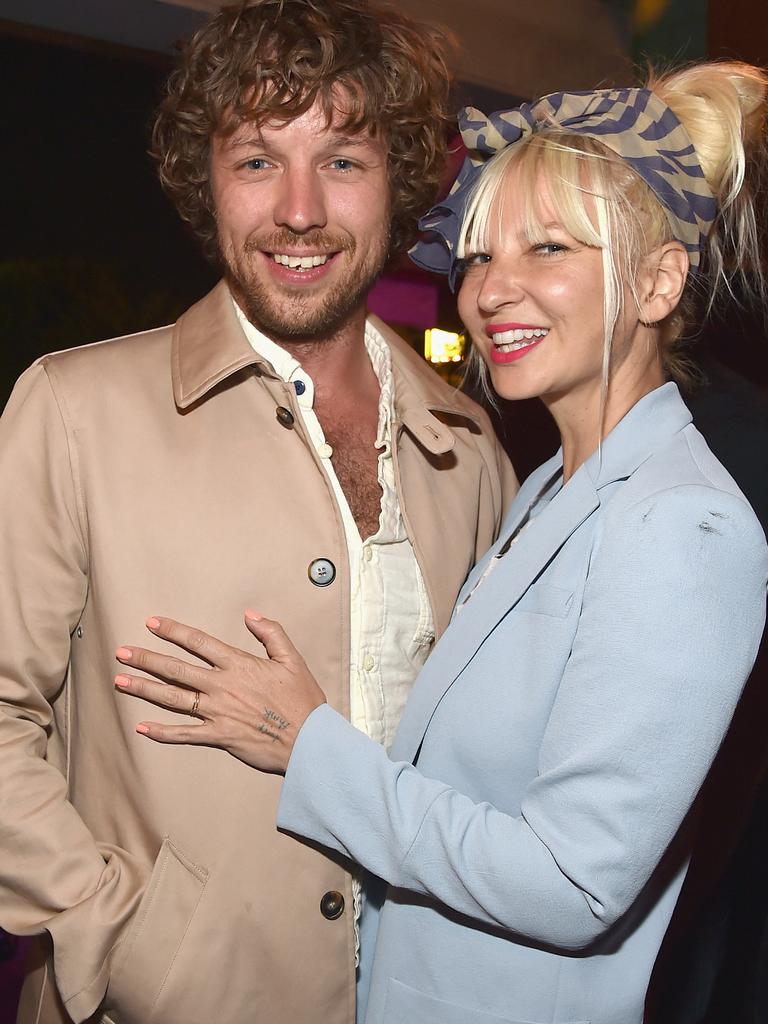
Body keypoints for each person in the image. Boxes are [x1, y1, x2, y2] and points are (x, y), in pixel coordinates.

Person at [115, 59, 768, 1024]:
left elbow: (571, 883)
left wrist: (310, 747)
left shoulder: (685, 526)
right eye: (478, 255)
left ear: (660, 281)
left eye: (546, 249)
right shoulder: (549, 486)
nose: (491, 292)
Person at [0, 2, 517, 1023]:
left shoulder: (470, 448)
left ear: (399, 182)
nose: (296, 209)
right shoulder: (73, 412)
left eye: (343, 161)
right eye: (254, 162)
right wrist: (116, 932)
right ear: (207, 183)